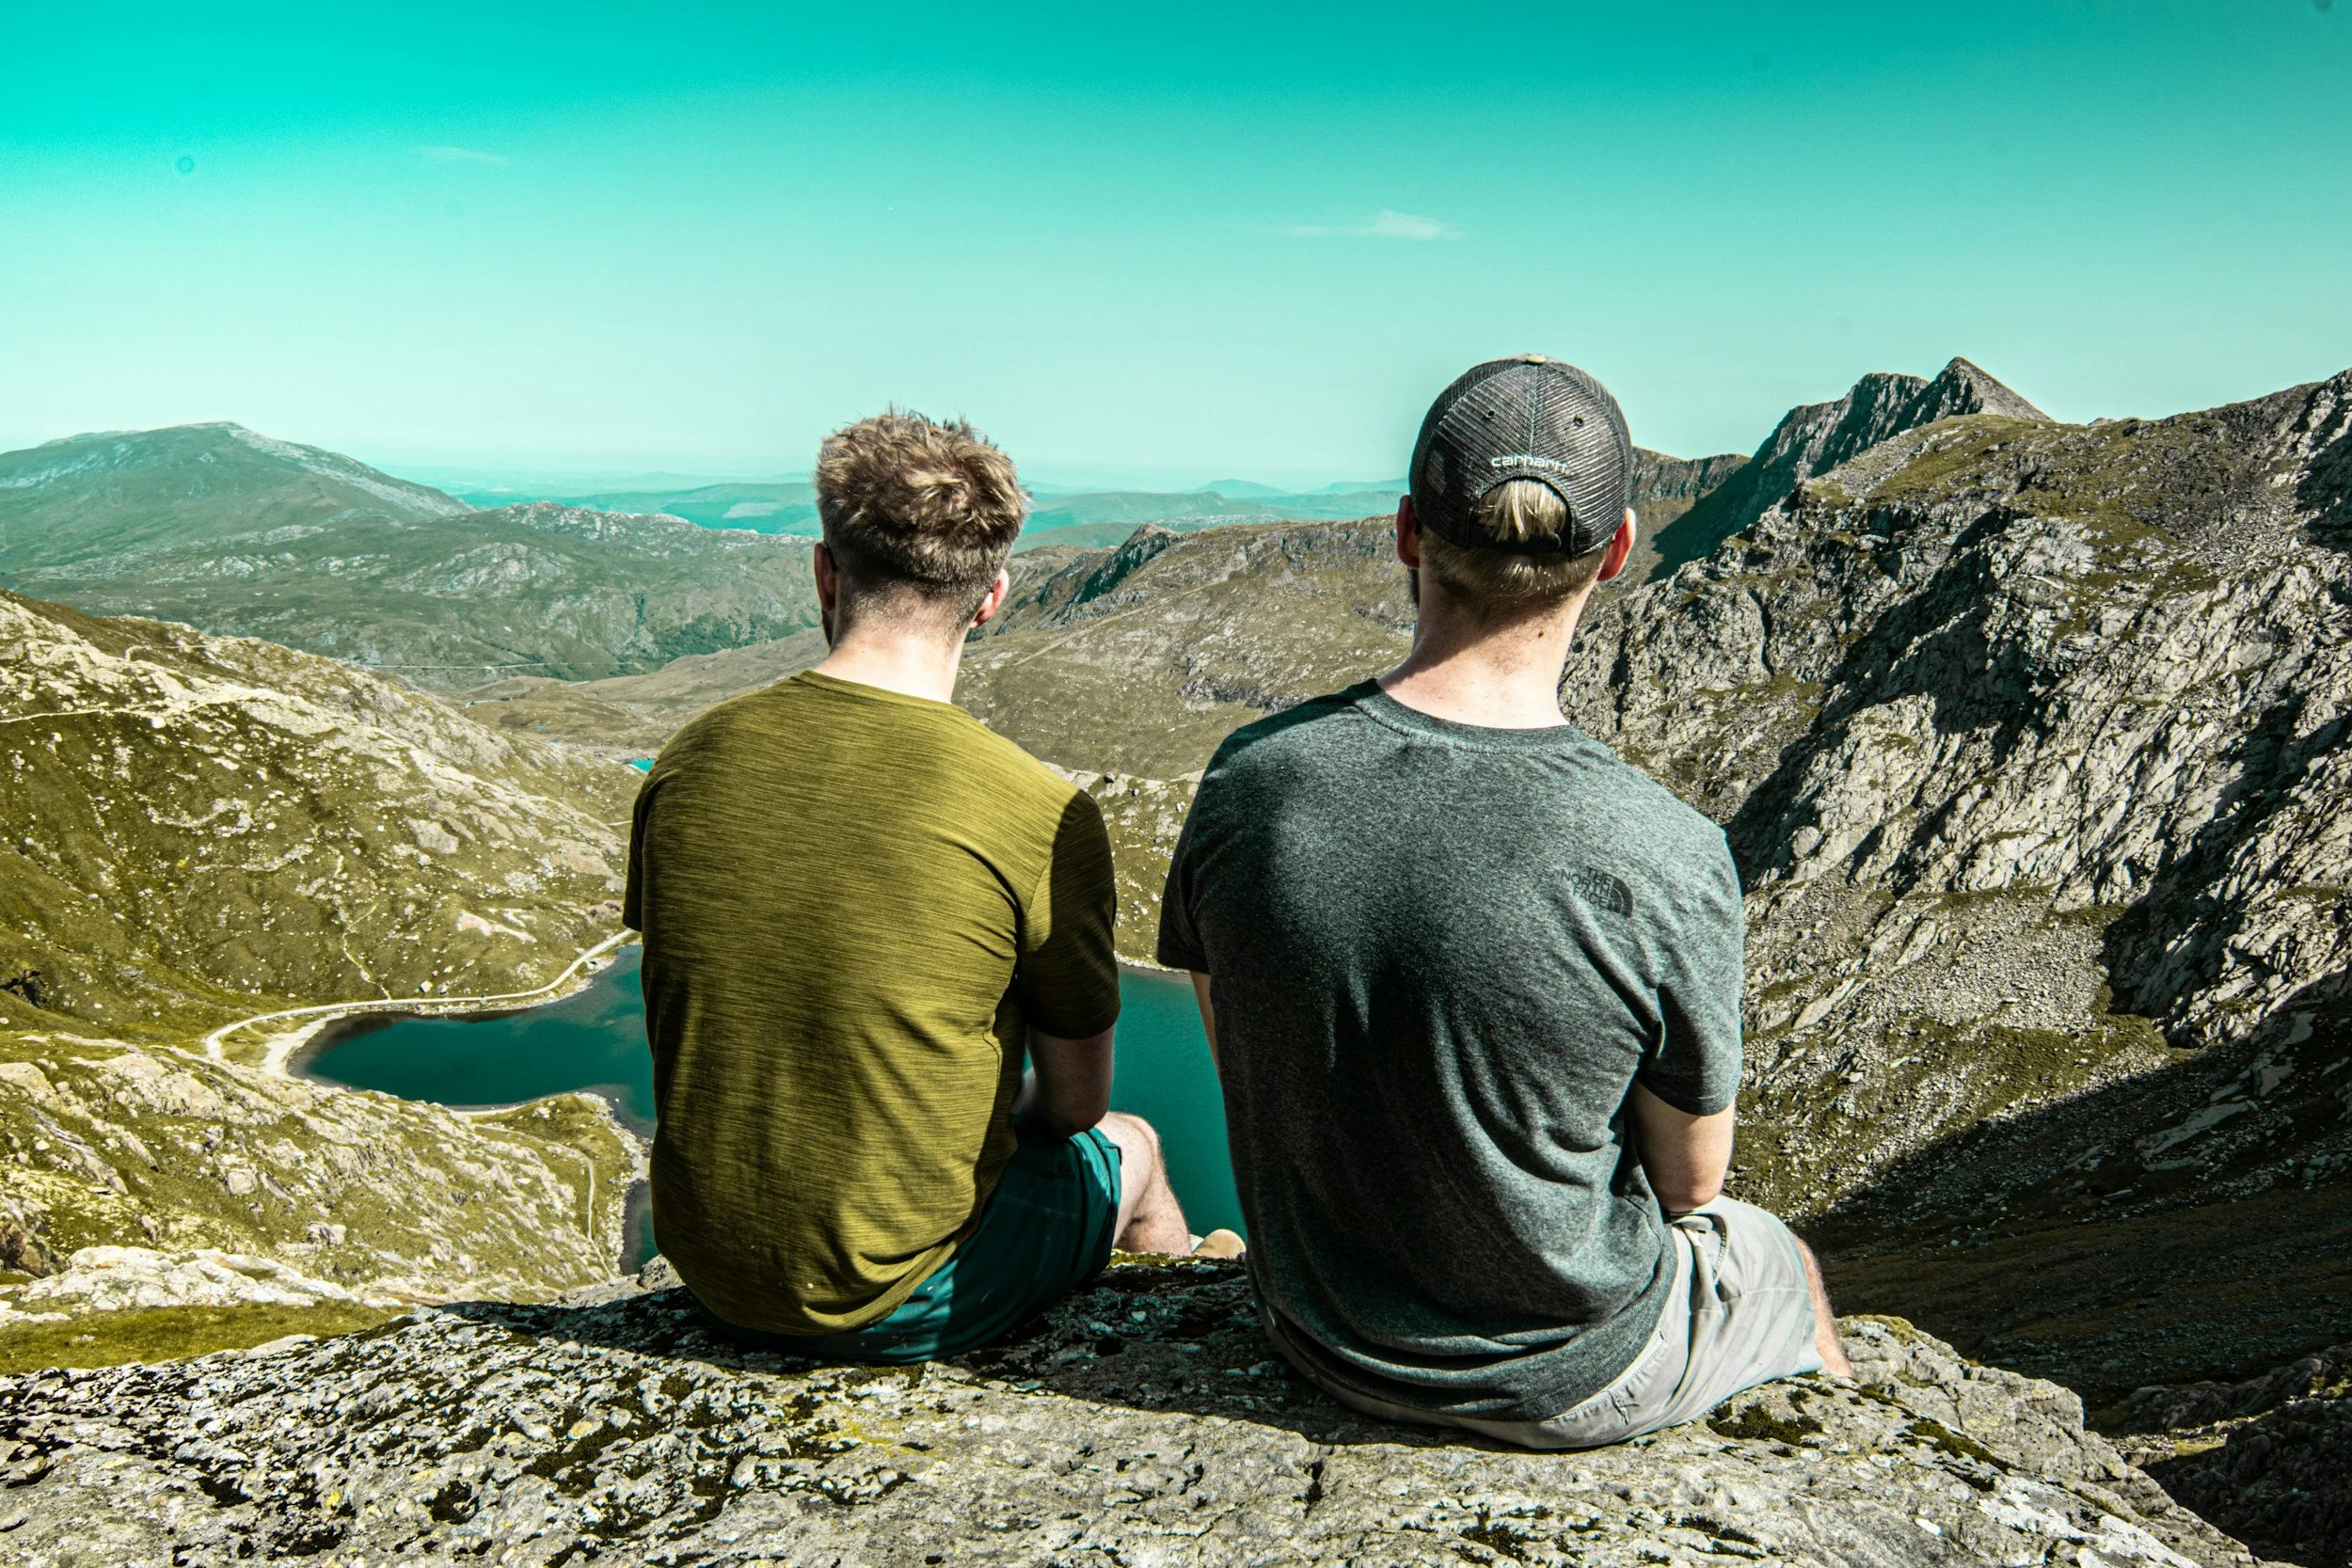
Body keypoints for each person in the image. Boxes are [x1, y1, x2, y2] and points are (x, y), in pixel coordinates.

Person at [1156, 356, 1851, 1448]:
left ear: (1404, 531)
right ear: (1617, 548)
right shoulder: (1667, 850)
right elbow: (1689, 1183)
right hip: (1564, 1373)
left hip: (1312, 1331)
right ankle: (1836, 1454)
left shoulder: (1249, 778)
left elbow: (1245, 1048)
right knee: (1773, 1252)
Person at [626, 409, 1199, 1363]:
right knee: (1132, 1144)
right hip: (898, 1289)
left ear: (824, 570)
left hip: (707, 1263)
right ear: (991, 599)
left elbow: (705, 1008)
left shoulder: (687, 761)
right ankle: (1168, 1341)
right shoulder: (1034, 807)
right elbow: (1072, 1106)